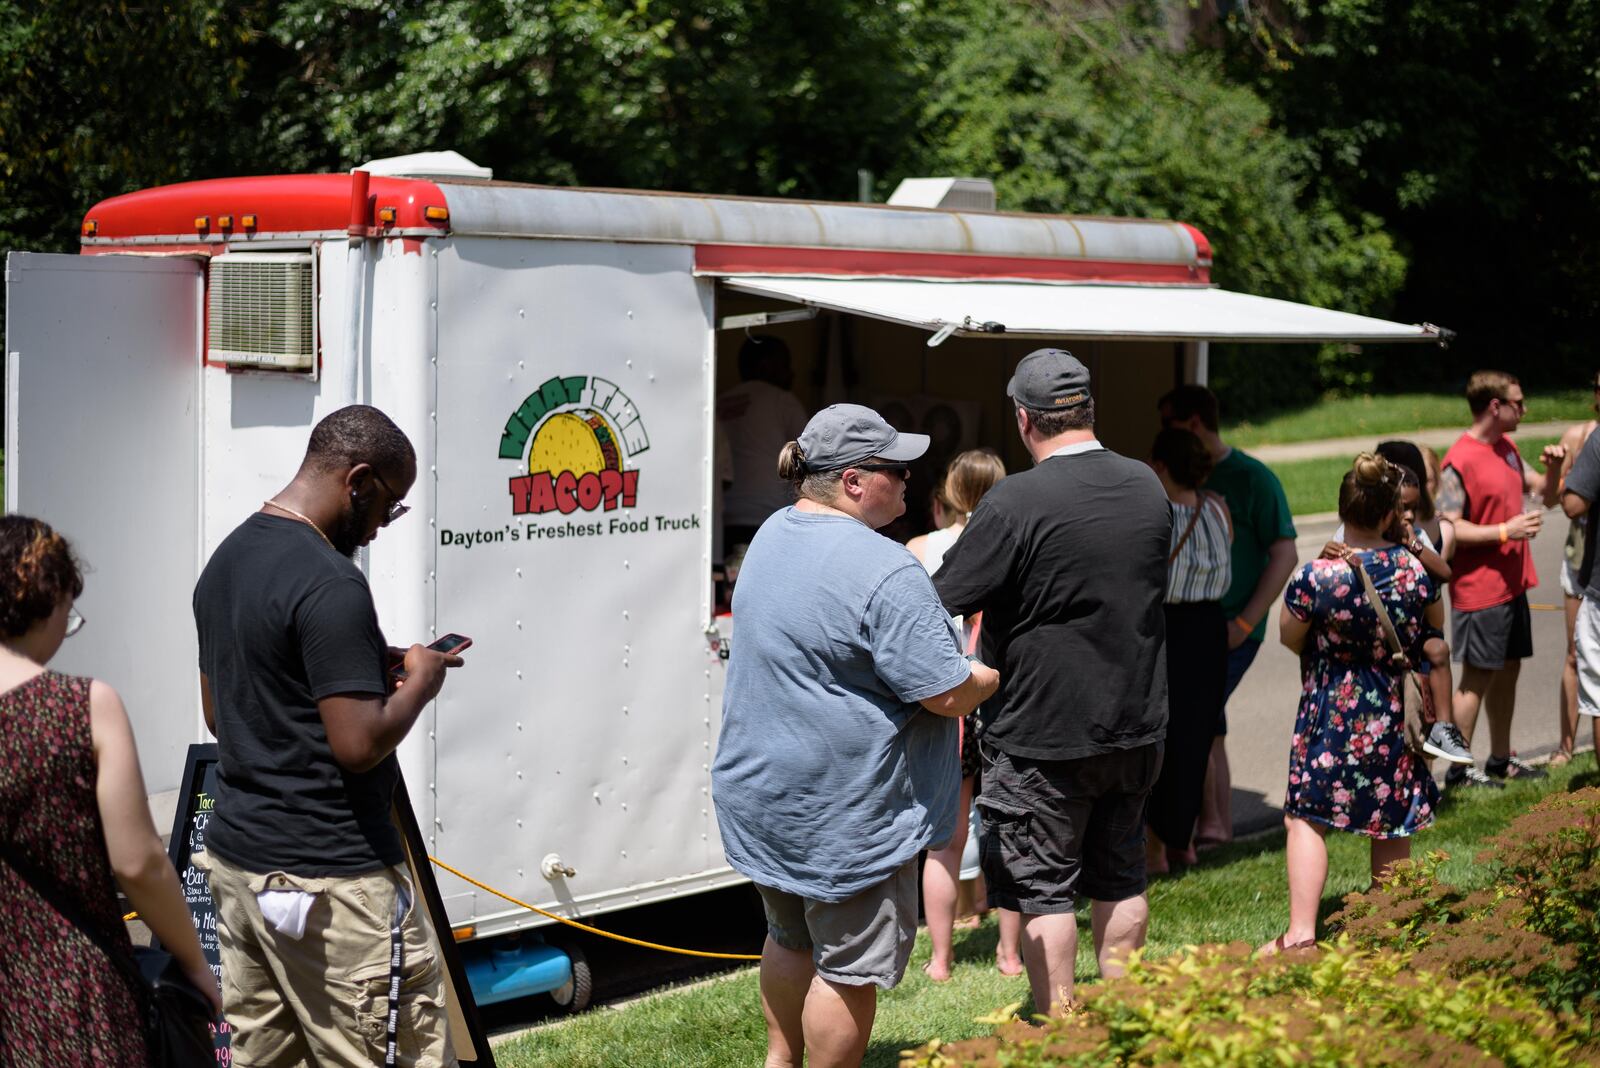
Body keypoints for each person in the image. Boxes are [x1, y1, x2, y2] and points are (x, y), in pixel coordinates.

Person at [711, 404, 999, 1068]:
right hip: (844, 813)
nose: (908, 480)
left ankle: (780, 1061)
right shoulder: (889, 570)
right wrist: (987, 677)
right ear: (851, 481)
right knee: (847, 969)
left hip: (761, 796)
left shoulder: (770, 536)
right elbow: (946, 691)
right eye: (896, 469)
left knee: (788, 939)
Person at [192, 405, 463, 1066]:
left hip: (239, 870)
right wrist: (422, 679)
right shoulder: (331, 581)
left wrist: (359, 666)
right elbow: (359, 744)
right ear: (358, 480)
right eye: (387, 506)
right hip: (336, 887)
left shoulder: (227, 560)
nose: (379, 528)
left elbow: (222, 715)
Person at [937, 349, 1170, 1016]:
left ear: (1023, 418)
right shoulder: (1145, 486)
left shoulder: (1015, 500)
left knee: (1045, 891)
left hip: (1043, 734)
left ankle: (1061, 1030)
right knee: (1122, 877)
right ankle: (1125, 1017)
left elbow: (942, 595)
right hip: (1136, 721)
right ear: (1088, 409)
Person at [0, 516, 221, 1063]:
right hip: (72, 995)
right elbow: (138, 863)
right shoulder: (81, 706)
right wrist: (195, 963)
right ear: (49, 601)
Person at [1261, 454, 1440, 953]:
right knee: (1393, 817)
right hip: (1390, 714)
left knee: (1306, 817)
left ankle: (1301, 935)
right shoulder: (1411, 570)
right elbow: (1433, 623)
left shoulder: (1317, 577)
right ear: (1389, 514)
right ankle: (1391, 927)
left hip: (1331, 713)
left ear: (1344, 509)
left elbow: (1289, 638)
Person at [1158, 385, 1297, 847]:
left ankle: (1207, 824)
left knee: (1200, 722)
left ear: (1193, 424)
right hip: (1208, 625)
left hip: (1230, 625)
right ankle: (1208, 824)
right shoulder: (1190, 488)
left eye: (1169, 425)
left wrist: (1244, 623)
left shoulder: (1252, 478)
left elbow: (1284, 553)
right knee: (1206, 722)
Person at [907, 449, 1024, 982]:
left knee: (945, 840)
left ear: (949, 491)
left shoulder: (921, 548)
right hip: (998, 699)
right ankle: (1009, 956)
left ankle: (939, 960)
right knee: (1009, 833)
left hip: (945, 706)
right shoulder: (1014, 540)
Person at [1436, 371, 1564, 787]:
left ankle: (1500, 758)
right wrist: (1506, 531)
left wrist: (1556, 467)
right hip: (1480, 590)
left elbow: (1544, 492)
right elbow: (1448, 528)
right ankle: (1459, 768)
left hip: (1513, 585)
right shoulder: (1459, 460)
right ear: (1496, 406)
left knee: (1508, 670)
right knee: (1476, 677)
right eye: (1518, 402)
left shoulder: (1506, 448)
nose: (1524, 409)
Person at [1324, 442, 1474, 765]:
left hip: (1413, 628)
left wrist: (1413, 544)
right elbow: (1329, 571)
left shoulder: (1412, 534)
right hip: (1375, 632)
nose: (1408, 515)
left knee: (1438, 650)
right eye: (1402, 508)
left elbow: (1444, 572)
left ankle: (1444, 730)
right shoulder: (1353, 533)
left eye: (1413, 509)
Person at [1145, 427, 1232, 874]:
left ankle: (1158, 847)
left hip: (1168, 629)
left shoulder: (1156, 515)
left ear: (1161, 465)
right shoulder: (1219, 509)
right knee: (1196, 739)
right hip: (1210, 630)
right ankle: (1185, 839)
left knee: (1162, 739)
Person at [718, 334, 811, 553]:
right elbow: (811, 454)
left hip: (724, 517)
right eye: (785, 365)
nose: (792, 373)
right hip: (770, 518)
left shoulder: (719, 403)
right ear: (765, 365)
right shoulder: (782, 400)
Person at [1553, 375, 1600, 766]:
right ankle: (1565, 747)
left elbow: (1573, 502)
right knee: (1574, 655)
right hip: (1581, 558)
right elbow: (1557, 496)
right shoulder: (1579, 434)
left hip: (1597, 580)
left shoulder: (1598, 441)